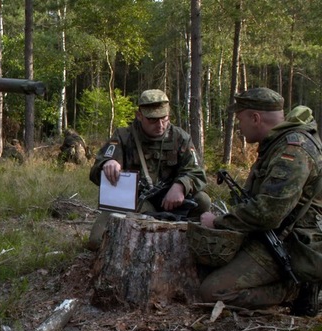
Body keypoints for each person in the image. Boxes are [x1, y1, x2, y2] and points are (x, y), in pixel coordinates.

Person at [198, 88, 322, 316]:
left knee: (212, 292)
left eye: (241, 119)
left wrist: (218, 222)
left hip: (287, 243)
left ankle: (294, 289)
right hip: (272, 234)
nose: (239, 127)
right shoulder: (278, 143)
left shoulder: (292, 152)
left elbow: (269, 213)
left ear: (255, 118)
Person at [86, 89, 211, 250]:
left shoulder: (180, 138)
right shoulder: (124, 137)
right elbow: (95, 171)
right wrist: (107, 165)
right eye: (152, 120)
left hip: (170, 203)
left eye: (164, 119)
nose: (160, 125)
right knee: (97, 241)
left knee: (203, 200)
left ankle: (185, 242)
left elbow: (197, 172)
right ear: (140, 116)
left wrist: (181, 185)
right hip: (134, 204)